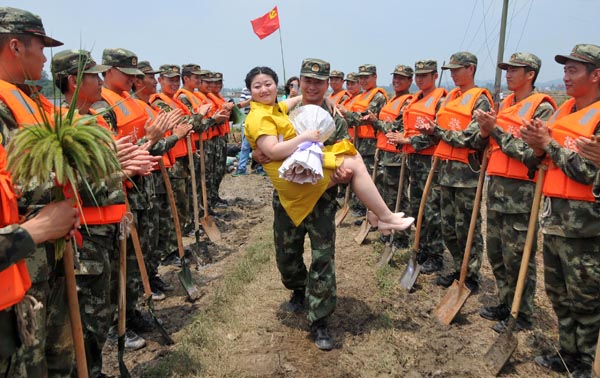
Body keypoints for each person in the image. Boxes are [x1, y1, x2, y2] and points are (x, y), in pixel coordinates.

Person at [244, 61, 414, 351]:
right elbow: (264, 146)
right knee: (287, 257)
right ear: (300, 83)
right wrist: (258, 156)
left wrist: (342, 176)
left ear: (326, 84)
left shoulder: (336, 118)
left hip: (322, 198)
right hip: (288, 199)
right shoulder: (283, 110)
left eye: (319, 83)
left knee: (323, 259)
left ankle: (320, 319)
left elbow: (346, 155)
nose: (312, 87)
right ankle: (298, 288)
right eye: (307, 81)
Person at [0, 7, 77, 376]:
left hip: (29, 265)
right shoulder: (4, 108)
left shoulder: (25, 101)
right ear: (15, 46)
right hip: (24, 257)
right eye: (40, 46)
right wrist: (40, 227)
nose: (45, 57)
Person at [520, 44, 600, 378]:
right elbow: (532, 159)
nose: (566, 77)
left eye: (573, 70)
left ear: (596, 75)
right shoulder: (561, 112)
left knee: (586, 298)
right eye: (564, 70)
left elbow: (588, 171)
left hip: (585, 226)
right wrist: (538, 147)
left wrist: (549, 145)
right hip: (553, 218)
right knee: (558, 293)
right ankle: (566, 352)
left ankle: (588, 361)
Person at [474, 52, 556, 333]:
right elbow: (491, 142)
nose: (508, 74)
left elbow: (531, 155)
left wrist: (494, 130)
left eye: (514, 70)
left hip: (521, 194)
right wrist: (486, 132)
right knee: (496, 252)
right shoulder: (506, 104)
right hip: (497, 188)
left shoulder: (541, 108)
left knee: (518, 255)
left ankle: (521, 312)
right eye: (507, 69)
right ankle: (505, 301)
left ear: (530, 74)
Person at [417, 52, 493, 292]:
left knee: (466, 228)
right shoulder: (451, 98)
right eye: (450, 69)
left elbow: (471, 137)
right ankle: (458, 267)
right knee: (448, 228)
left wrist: (437, 132)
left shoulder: (480, 100)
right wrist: (434, 130)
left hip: (466, 176)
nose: (452, 73)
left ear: (471, 69)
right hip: (445, 173)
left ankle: (469, 275)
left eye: (457, 69)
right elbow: (446, 129)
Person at [389, 60, 446, 273]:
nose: (421, 79)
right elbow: (406, 127)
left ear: (434, 76)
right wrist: (401, 138)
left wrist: (408, 141)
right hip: (413, 161)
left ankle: (435, 254)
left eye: (425, 75)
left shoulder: (441, 100)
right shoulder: (415, 100)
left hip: (431, 162)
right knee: (416, 207)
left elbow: (436, 134)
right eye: (419, 75)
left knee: (430, 209)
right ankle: (421, 247)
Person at [363, 64, 414, 247]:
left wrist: (376, 122)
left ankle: (402, 236)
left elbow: (396, 129)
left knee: (398, 197)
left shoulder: (408, 101)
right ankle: (387, 231)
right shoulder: (393, 100)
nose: (396, 81)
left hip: (397, 156)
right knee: (384, 195)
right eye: (395, 77)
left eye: (401, 78)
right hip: (384, 153)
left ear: (410, 81)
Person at [338, 64, 388, 217]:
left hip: (371, 144)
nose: (363, 80)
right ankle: (361, 208)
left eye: (367, 77)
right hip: (359, 141)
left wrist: (347, 114)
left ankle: (372, 213)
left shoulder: (377, 96)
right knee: (359, 178)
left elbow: (364, 117)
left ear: (375, 77)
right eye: (361, 77)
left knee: (372, 180)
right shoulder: (361, 96)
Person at [232, 87, 266, 176]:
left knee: (261, 145)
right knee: (245, 146)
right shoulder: (245, 90)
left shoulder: (263, 89)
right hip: (247, 121)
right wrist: (251, 100)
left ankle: (260, 167)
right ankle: (241, 168)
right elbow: (239, 105)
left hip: (261, 121)